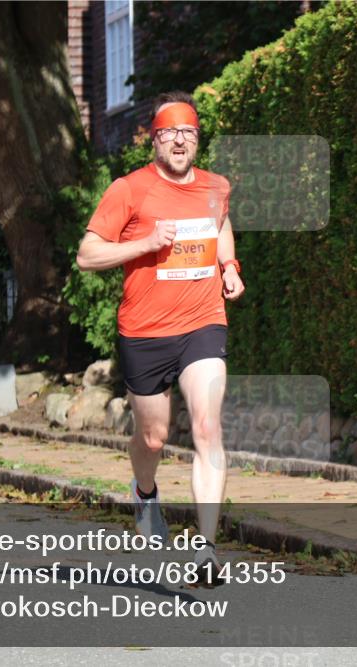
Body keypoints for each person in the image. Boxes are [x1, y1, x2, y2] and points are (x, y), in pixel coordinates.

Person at [75, 91, 245, 583]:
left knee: (207, 425)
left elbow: (221, 225)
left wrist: (228, 266)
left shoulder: (216, 187)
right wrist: (144, 243)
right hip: (145, 331)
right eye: (168, 132)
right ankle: (145, 494)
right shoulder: (129, 190)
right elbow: (87, 255)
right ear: (154, 139)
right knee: (152, 436)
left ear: (197, 138)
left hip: (202, 322)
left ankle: (207, 550)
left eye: (187, 132)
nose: (178, 141)